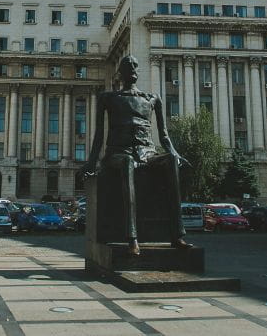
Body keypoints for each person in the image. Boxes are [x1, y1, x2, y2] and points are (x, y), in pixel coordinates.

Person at [80, 55, 191, 256]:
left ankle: (177, 235)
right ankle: (132, 238)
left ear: (138, 72)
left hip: (147, 152)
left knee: (171, 161)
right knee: (128, 162)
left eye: (134, 65)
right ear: (119, 74)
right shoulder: (108, 98)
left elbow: (164, 135)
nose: (132, 67)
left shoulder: (152, 99)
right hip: (118, 153)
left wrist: (175, 153)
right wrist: (91, 162)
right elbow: (98, 136)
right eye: (127, 65)